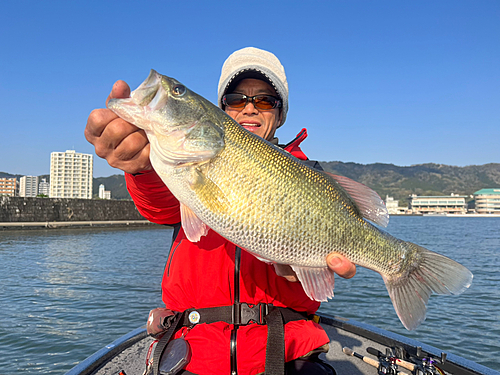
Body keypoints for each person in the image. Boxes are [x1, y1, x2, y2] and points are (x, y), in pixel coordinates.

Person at [85, 47, 356, 375]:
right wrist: (140, 168)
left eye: (266, 100)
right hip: (192, 353)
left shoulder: (310, 177)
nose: (250, 108)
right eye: (236, 99)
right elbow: (160, 205)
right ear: (221, 109)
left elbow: (312, 281)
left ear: (280, 114)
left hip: (285, 353)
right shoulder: (182, 163)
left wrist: (298, 271)